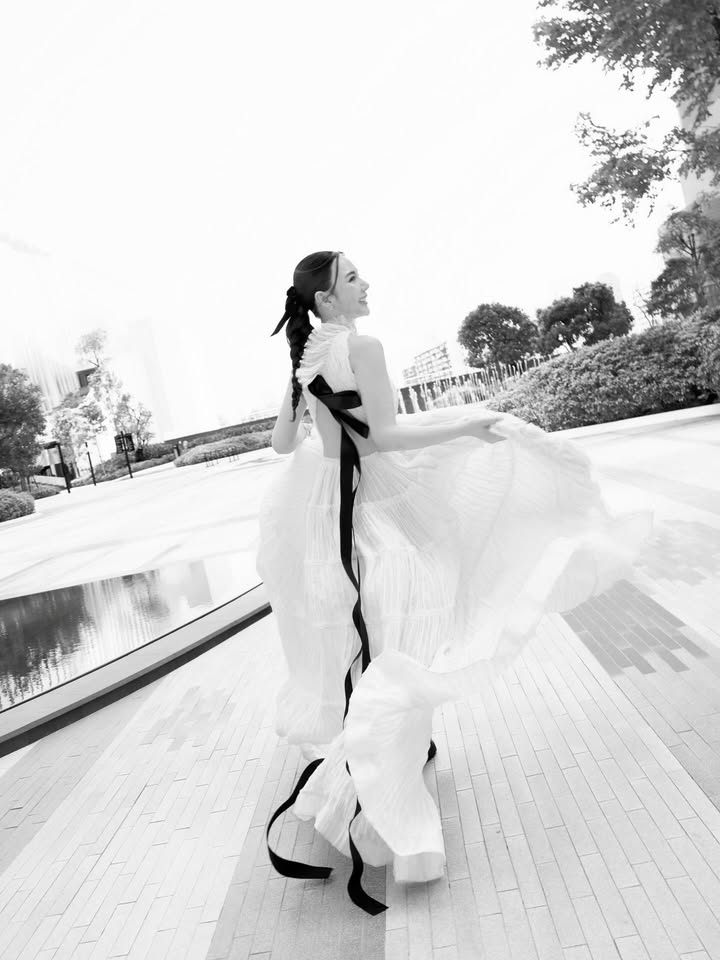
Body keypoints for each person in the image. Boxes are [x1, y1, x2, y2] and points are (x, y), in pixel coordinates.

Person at [256, 250, 651, 914]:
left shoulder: (307, 356)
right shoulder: (363, 346)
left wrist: (302, 398)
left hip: (328, 517)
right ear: (326, 299)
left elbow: (280, 446)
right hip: (375, 507)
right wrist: (465, 424)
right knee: (407, 633)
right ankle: (378, 785)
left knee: (371, 643)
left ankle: (379, 758)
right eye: (352, 278)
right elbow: (382, 438)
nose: (365, 283)